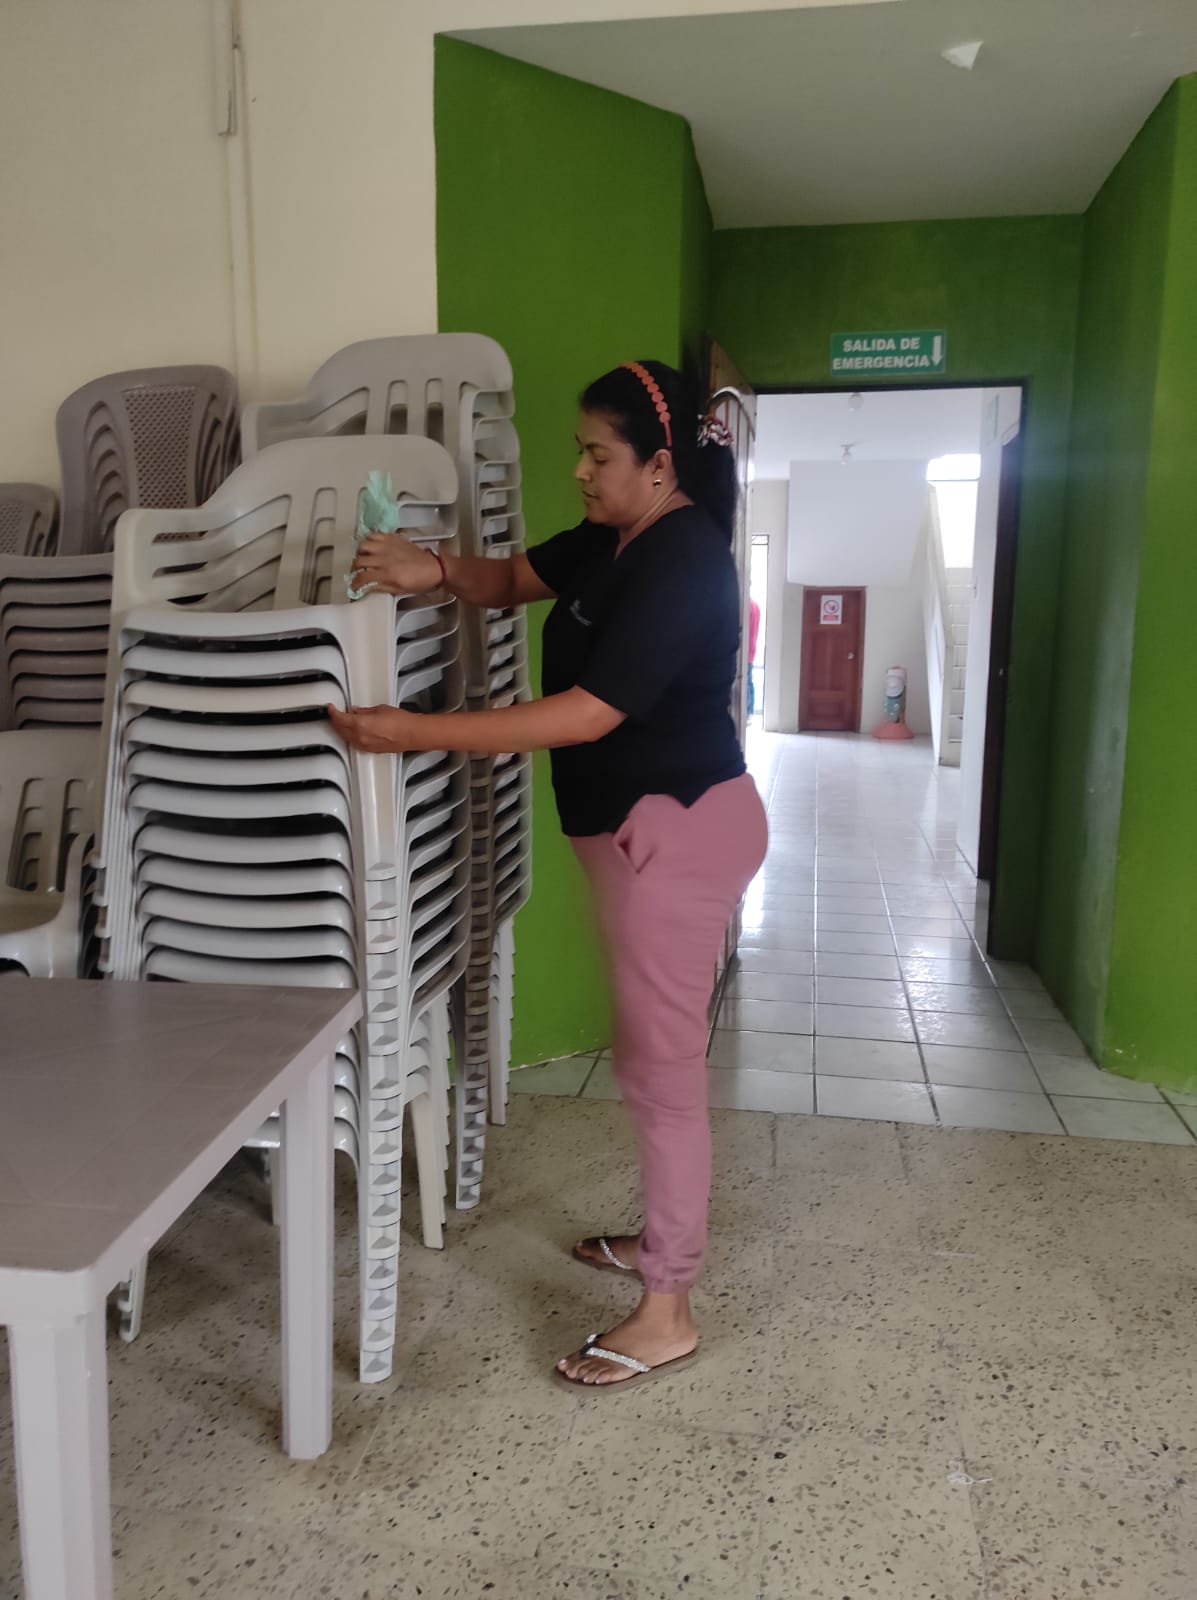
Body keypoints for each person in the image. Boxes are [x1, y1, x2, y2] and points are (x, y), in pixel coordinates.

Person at [329, 359, 769, 1391]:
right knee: (647, 1059)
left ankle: (668, 1306)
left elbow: (586, 715)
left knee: (662, 1075)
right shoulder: (616, 538)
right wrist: (429, 569)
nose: (578, 468)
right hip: (638, 838)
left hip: (676, 836)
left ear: (659, 466)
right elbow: (510, 580)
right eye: (580, 450)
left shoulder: (682, 560)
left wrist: (412, 732)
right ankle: (659, 1241)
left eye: (595, 454)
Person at [747, 595, 761, 718]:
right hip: (751, 648)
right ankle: (750, 711)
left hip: (745, 649)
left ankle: (746, 712)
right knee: (749, 680)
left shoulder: (747, 606)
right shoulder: (755, 605)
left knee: (745, 681)